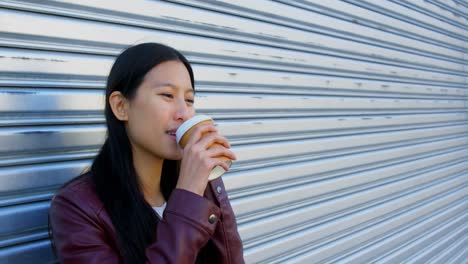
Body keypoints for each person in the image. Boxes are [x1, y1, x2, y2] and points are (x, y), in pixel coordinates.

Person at [48, 42, 244, 263]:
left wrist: (207, 183)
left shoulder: (198, 187)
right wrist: (189, 195)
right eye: (167, 95)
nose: (184, 114)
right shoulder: (78, 208)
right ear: (121, 106)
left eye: (189, 100)